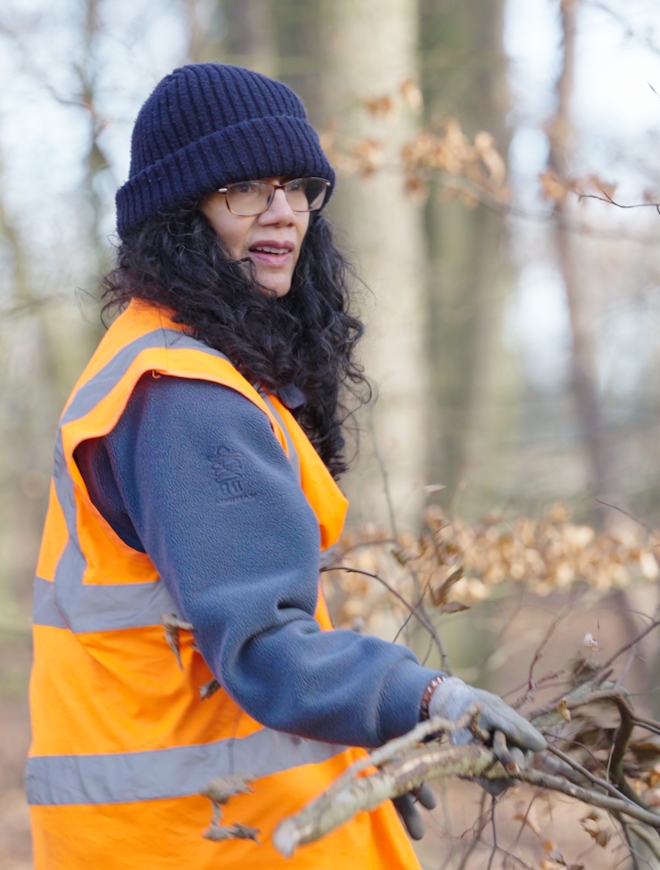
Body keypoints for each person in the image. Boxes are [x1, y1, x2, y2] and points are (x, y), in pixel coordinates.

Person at [26, 62, 545, 869]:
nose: (284, 215)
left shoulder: (175, 362)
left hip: (208, 827)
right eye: (244, 190)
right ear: (181, 215)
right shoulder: (181, 395)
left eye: (298, 187)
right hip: (205, 842)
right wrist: (423, 698)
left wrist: (362, 725)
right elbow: (263, 640)